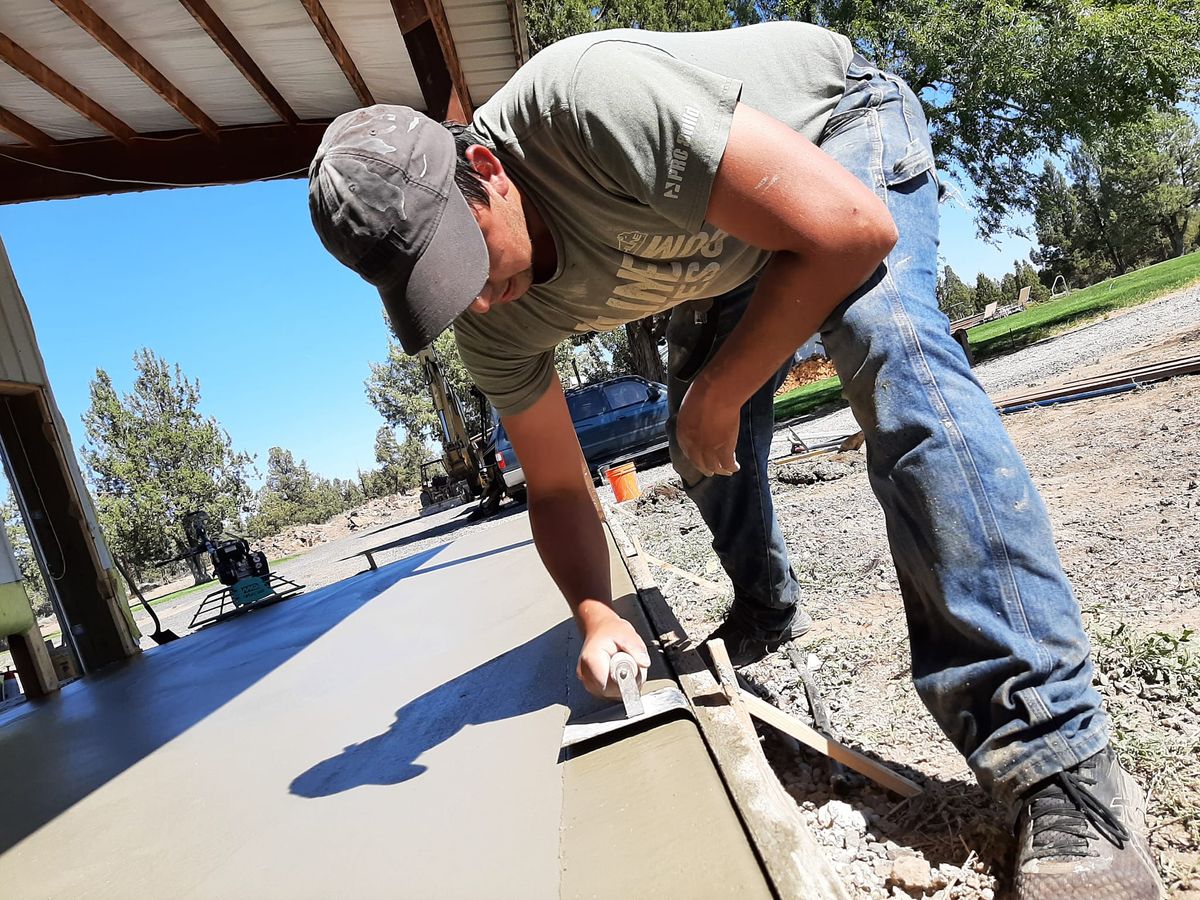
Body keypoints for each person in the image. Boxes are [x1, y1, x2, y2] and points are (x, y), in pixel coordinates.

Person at [307, 22, 1162, 897]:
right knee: (695, 441)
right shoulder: (491, 325)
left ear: (487, 170)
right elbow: (558, 486)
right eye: (445, 290)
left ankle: (1061, 764)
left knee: (888, 346)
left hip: (833, 139)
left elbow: (852, 229)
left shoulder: (589, 105)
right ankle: (765, 606)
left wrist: (721, 389)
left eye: (470, 261)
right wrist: (595, 613)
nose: (481, 301)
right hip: (737, 250)